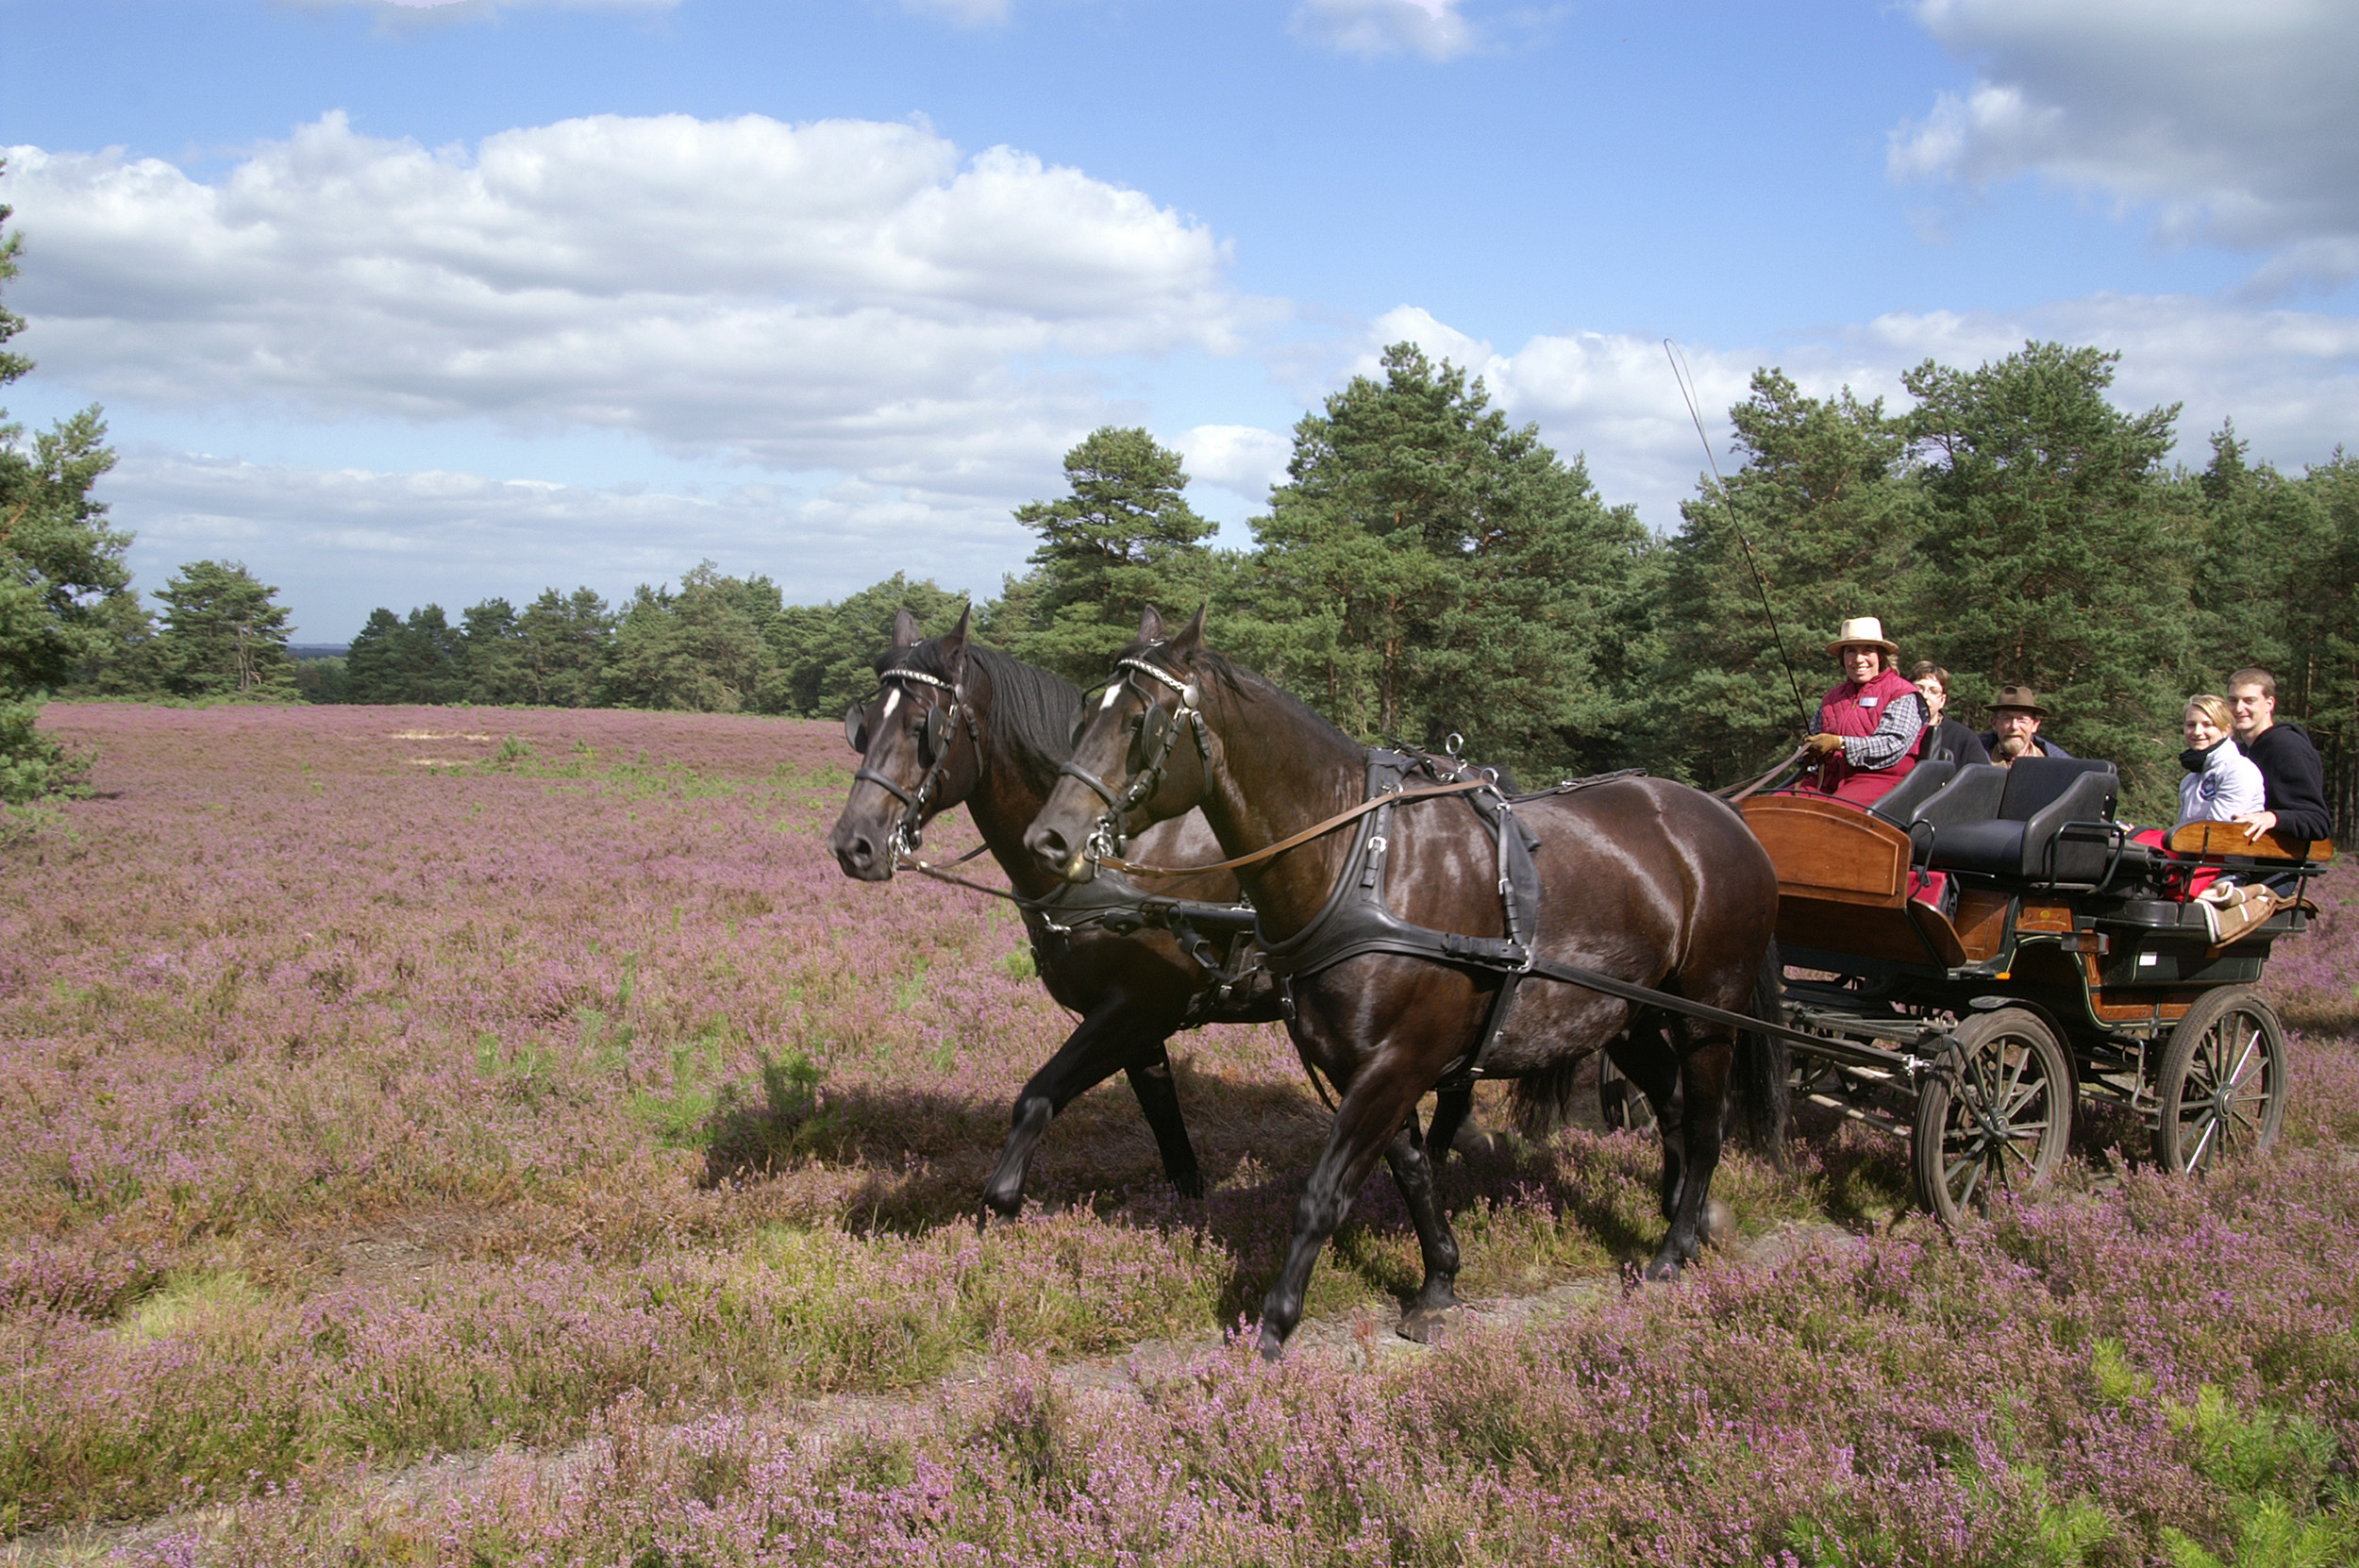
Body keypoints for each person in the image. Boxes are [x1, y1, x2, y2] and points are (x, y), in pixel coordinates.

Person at [1801, 616, 1926, 808]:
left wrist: (1840, 743)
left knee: (1830, 815)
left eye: (1867, 651)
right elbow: (1816, 737)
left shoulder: (1902, 693)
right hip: (1828, 780)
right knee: (1773, 809)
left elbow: (1893, 744)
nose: (1859, 659)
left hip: (1879, 780)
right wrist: (1807, 749)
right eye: (1851, 651)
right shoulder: (1832, 698)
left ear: (1881, 656)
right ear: (1843, 658)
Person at [2226, 667, 2332, 847]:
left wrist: (2273, 818)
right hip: (2235, 858)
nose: (2239, 708)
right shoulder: (2238, 752)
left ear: (2269, 704)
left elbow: (2318, 821)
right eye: (2233, 700)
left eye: (2249, 701)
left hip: (2272, 870)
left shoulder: (2288, 748)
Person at [2175, 694, 2265, 827]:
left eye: (2208, 724)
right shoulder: (2190, 780)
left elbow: (2215, 833)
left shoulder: (2238, 771)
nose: (2197, 732)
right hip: (2191, 846)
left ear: (2226, 729)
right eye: (2191, 725)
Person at [1909, 662, 1990, 766]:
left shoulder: (1963, 738)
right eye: (1919, 688)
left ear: (1942, 701)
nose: (1925, 696)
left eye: (1934, 691)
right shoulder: (1893, 729)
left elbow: (1981, 778)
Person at [1978, 686, 2070, 761]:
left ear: (2035, 725)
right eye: (2007, 719)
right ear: (1994, 723)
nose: (2014, 727)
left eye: (2022, 720)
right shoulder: (1974, 757)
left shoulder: (2055, 765)